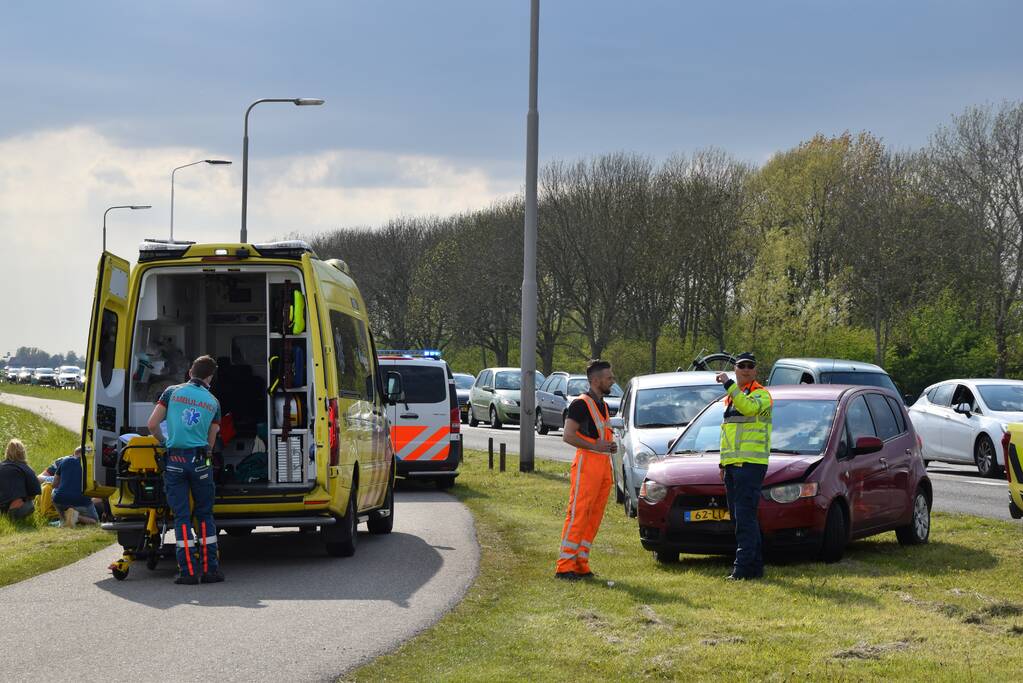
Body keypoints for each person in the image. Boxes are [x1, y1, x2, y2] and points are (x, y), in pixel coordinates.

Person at [147, 355, 224, 585]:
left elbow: (152, 425)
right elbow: (211, 441)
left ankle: (188, 571)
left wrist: (164, 442)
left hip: (175, 459)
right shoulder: (213, 402)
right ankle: (211, 570)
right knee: (204, 514)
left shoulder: (171, 392)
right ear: (210, 377)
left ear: (191, 371)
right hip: (201, 460)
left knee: (181, 516)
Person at [555, 359, 617, 581]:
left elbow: (598, 435)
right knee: (579, 513)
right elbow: (568, 435)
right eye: (609, 377)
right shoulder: (580, 404)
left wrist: (608, 445)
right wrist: (595, 445)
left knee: (594, 515)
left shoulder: (604, 405)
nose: (612, 380)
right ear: (596, 380)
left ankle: (581, 563)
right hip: (587, 464)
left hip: (602, 464)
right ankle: (565, 566)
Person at [715, 352, 773, 580]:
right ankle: (755, 568)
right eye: (742, 366)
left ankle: (741, 569)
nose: (746, 369)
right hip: (733, 465)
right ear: (736, 369)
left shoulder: (762, 395)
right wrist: (723, 463)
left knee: (744, 518)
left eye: (750, 366)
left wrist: (729, 384)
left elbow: (748, 409)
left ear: (755, 371)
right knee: (740, 518)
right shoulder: (732, 397)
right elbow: (728, 434)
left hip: (751, 465)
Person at [41, 447, 100, 527]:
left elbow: (54, 484)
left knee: (54, 492)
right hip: (81, 500)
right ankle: (76, 517)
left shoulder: (64, 461)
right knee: (95, 521)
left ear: (74, 453)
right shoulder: (90, 466)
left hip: (60, 500)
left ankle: (63, 521)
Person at [0, 439, 41, 519]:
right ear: (23, 452)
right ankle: (13, 517)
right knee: (30, 504)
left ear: (7, 452)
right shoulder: (27, 469)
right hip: (15, 508)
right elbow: (35, 491)